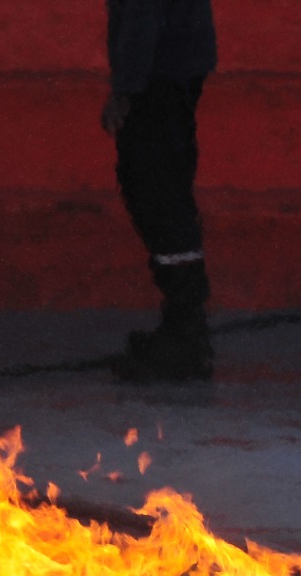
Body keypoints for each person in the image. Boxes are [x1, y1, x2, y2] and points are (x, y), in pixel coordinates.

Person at [102, 0, 217, 383]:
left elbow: (141, 17)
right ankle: (185, 329)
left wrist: (125, 90)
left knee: (157, 196)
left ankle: (184, 338)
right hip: (173, 72)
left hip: (157, 79)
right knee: (167, 195)